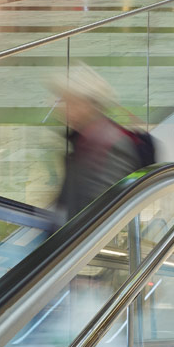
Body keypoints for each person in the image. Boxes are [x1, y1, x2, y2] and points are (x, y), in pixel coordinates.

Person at [50, 66, 149, 227]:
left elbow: (101, 211)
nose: (60, 106)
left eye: (67, 101)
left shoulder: (109, 145)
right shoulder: (82, 138)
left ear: (85, 106)